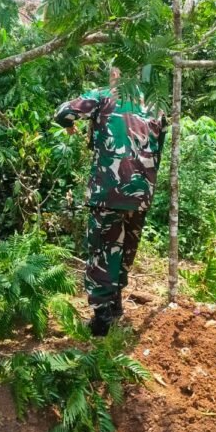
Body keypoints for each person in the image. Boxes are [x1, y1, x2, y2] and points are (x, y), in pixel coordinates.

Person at [53, 67, 166, 336]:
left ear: (116, 72)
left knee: (104, 249)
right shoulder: (156, 106)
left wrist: (69, 126)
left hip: (108, 190)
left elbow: (63, 113)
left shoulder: (103, 96)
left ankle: (102, 319)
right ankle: (115, 307)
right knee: (126, 249)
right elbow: (159, 147)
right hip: (141, 191)